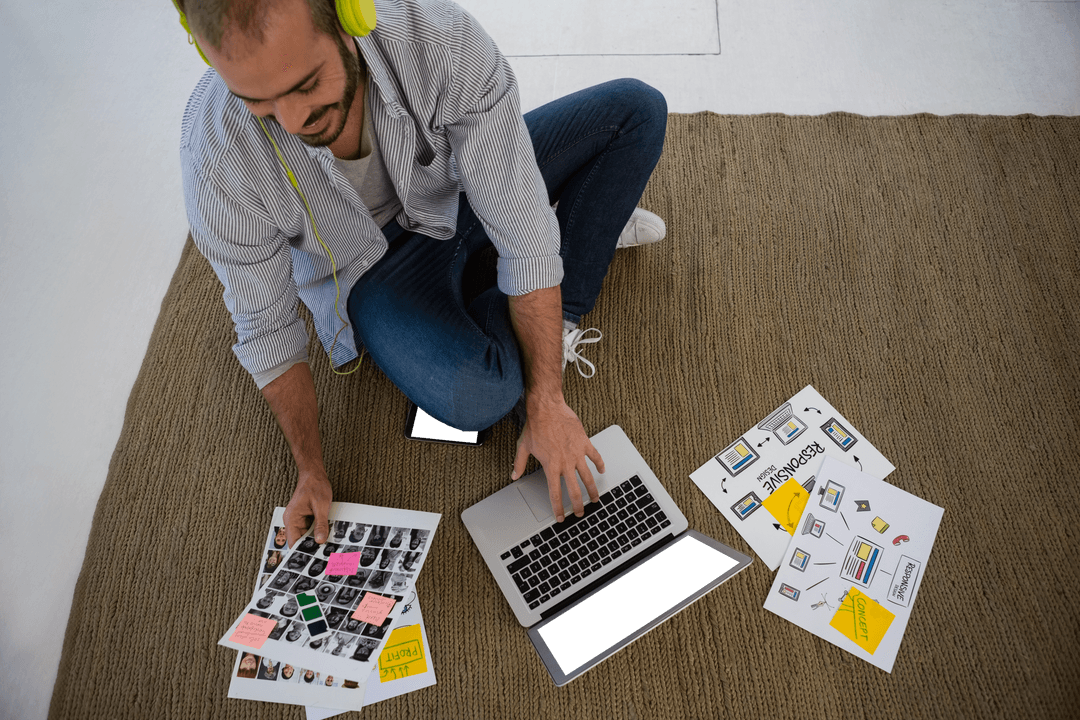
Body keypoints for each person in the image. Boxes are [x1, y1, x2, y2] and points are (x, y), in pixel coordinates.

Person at [176, 0, 667, 546]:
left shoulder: (440, 39)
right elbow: (268, 331)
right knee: (479, 396)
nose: (292, 123)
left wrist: (547, 399)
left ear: (350, 16)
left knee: (636, 111)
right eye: (259, 103)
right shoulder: (214, 158)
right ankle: (576, 235)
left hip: (458, 191)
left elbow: (522, 232)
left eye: (305, 85)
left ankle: (557, 290)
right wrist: (310, 471)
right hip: (369, 271)